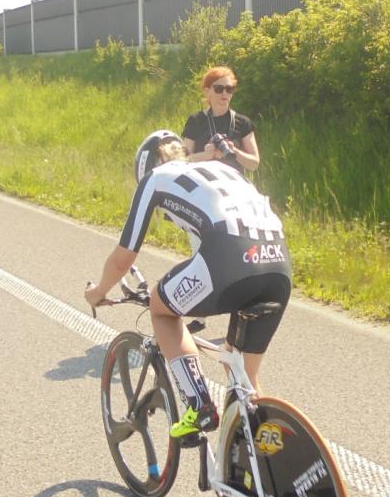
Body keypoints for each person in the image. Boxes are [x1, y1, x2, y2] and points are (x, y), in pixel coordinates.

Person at [86, 129, 291, 440]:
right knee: (244, 380)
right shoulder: (219, 170)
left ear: (144, 167)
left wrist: (98, 292)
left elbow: (123, 259)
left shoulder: (154, 179)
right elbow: (204, 255)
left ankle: (199, 405)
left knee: (161, 307)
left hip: (232, 255)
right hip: (278, 262)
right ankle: (262, 459)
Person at [182, 66, 261, 174]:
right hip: (203, 181)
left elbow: (254, 164)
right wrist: (205, 155)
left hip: (232, 182)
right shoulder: (195, 121)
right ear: (207, 91)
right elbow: (182, 160)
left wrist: (234, 152)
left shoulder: (243, 122)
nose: (224, 94)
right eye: (219, 89)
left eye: (229, 89)